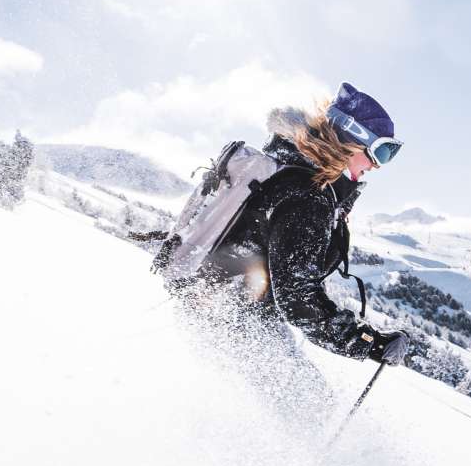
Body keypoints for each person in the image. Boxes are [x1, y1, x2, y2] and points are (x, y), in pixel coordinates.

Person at [171, 81, 410, 418]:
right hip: (238, 317)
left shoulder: (285, 172)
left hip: (213, 303)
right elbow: (298, 297)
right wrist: (368, 342)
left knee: (250, 409)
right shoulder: (306, 196)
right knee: (311, 409)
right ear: (350, 140)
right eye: (380, 152)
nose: (377, 165)